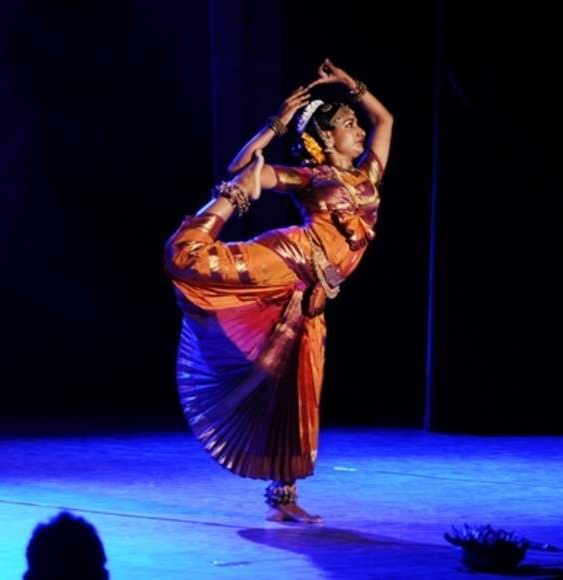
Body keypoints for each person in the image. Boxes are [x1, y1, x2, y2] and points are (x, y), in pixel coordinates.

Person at [164, 58, 393, 524]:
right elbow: (243, 167)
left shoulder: (368, 176)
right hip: (292, 256)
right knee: (187, 258)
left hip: (312, 294)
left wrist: (352, 86)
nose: (358, 130)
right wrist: (278, 122)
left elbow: (385, 119)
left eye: (353, 122)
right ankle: (213, 215)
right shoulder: (309, 177)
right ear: (325, 138)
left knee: (298, 388)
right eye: (347, 124)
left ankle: (283, 500)